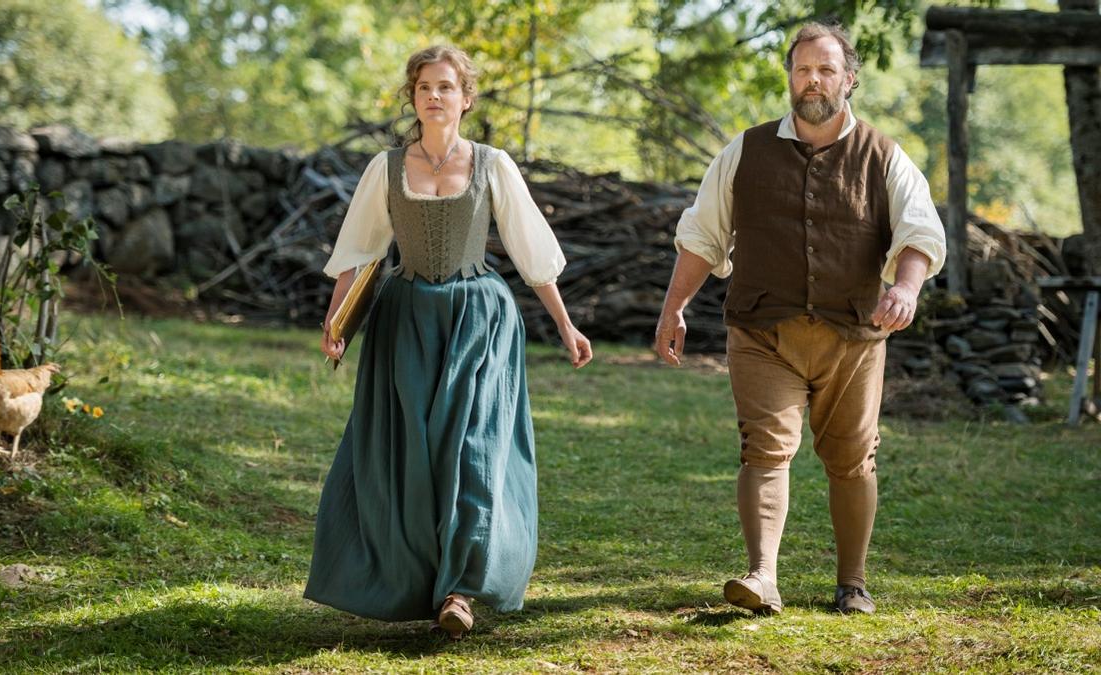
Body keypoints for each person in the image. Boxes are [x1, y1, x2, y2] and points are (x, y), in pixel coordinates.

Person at [654, 22, 946, 615]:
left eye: (826, 69)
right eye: (802, 69)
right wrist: (674, 307)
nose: (813, 80)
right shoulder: (745, 150)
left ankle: (852, 584)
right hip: (763, 332)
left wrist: (907, 287)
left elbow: (919, 231)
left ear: (850, 79)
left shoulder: (884, 155)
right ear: (790, 77)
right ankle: (762, 577)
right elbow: (703, 235)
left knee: (851, 458)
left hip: (854, 338)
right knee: (763, 449)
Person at [305, 45, 592, 639]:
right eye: (423, 88)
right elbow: (357, 253)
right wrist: (335, 325)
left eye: (445, 86)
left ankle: (460, 592)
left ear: (467, 97)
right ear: (413, 98)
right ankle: (415, 580)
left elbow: (531, 253)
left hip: (479, 320)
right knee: (411, 452)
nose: (434, 97)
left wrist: (566, 326)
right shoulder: (385, 168)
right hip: (403, 318)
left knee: (474, 448)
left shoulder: (493, 165)